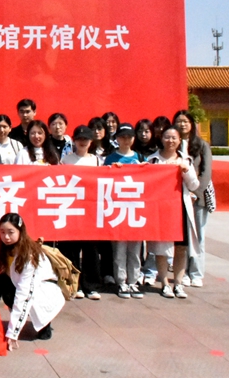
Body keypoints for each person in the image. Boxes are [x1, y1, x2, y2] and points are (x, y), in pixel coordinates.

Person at [0, 213, 64, 349]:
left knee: (17, 298)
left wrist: (12, 333)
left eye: (11, 232)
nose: (6, 237)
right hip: (22, 286)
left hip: (43, 291)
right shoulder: (7, 247)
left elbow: (24, 296)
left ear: (20, 231)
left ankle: (45, 324)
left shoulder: (29, 257)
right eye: (2, 232)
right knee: (2, 280)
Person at [147, 127, 200, 299]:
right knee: (161, 248)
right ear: (161, 139)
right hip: (161, 209)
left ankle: (178, 283)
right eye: (167, 137)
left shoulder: (185, 160)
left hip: (180, 208)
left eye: (174, 138)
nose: (170, 141)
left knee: (181, 248)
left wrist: (186, 170)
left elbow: (194, 185)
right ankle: (164, 283)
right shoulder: (153, 160)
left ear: (179, 141)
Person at [60, 125, 103, 300]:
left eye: (86, 139)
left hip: (91, 210)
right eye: (79, 139)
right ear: (74, 141)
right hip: (71, 208)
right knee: (71, 249)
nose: (82, 142)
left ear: (91, 141)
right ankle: (73, 284)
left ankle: (91, 286)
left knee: (91, 250)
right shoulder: (66, 160)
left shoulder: (97, 161)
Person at [104, 123, 145, 299]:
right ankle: (121, 281)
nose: (126, 140)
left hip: (136, 209)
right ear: (117, 139)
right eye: (122, 137)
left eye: (129, 137)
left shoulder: (139, 158)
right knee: (119, 249)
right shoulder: (110, 158)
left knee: (135, 249)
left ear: (133, 139)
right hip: (118, 209)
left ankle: (134, 281)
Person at [174, 110, 213, 289]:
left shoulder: (201, 145)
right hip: (177, 198)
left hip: (197, 199)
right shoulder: (172, 144)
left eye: (185, 121)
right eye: (179, 121)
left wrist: (195, 192)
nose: (182, 124)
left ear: (191, 124)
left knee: (198, 237)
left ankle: (196, 273)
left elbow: (206, 173)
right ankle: (184, 273)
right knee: (183, 238)